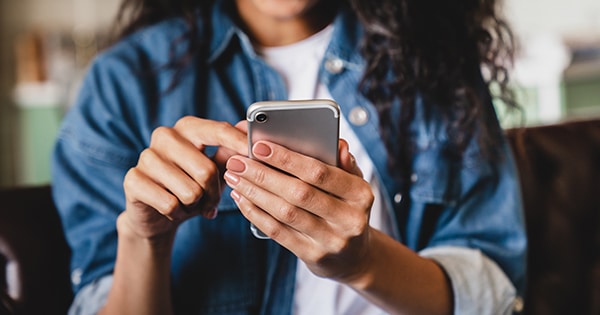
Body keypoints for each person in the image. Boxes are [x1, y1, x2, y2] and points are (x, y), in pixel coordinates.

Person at [51, 0, 527, 314]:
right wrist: (142, 237)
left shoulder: (434, 58)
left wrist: (362, 262)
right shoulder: (125, 84)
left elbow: (490, 291)